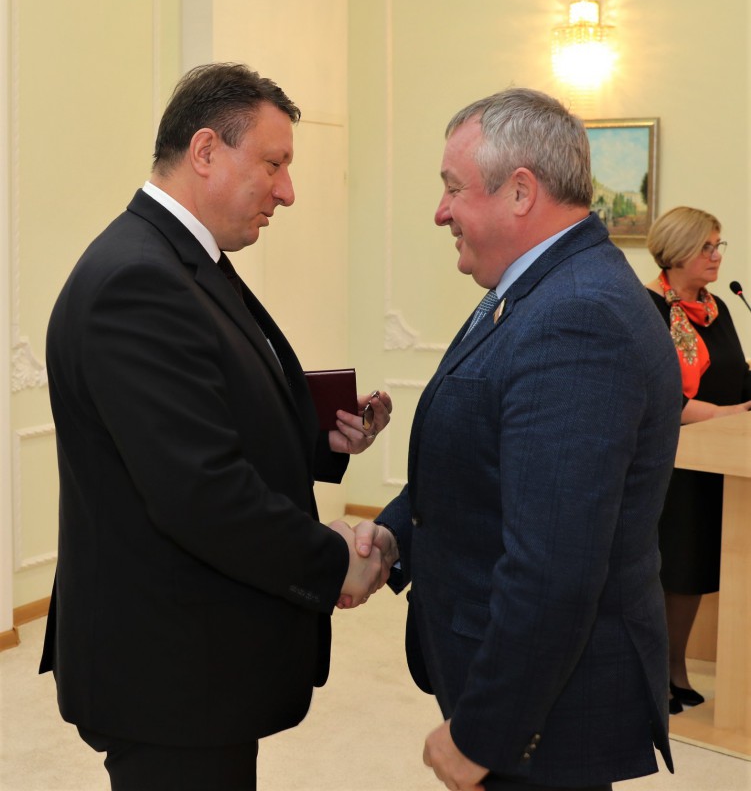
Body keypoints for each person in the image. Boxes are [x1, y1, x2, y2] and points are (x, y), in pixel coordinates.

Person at [39, 62, 392, 791]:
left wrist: (316, 438)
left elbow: (206, 414)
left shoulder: (180, 260)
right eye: (274, 164)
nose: (287, 192)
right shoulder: (139, 280)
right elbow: (200, 491)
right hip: (168, 672)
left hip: (194, 660)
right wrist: (334, 562)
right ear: (205, 151)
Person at [351, 88, 683, 791]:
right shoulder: (537, 287)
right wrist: (394, 536)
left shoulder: (576, 315)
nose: (440, 211)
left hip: (543, 715)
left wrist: (484, 734)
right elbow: (487, 463)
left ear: (521, 192)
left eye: (452, 188)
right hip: (517, 681)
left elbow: (554, 565)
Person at [644, 206, 751, 714]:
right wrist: (729, 413)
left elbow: (733, 375)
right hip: (671, 462)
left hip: (718, 460)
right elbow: (660, 396)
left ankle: (675, 668)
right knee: (671, 569)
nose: (716, 256)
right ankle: (651, 674)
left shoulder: (716, 307)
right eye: (707, 247)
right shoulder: (648, 308)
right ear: (678, 251)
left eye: (717, 246)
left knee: (695, 572)